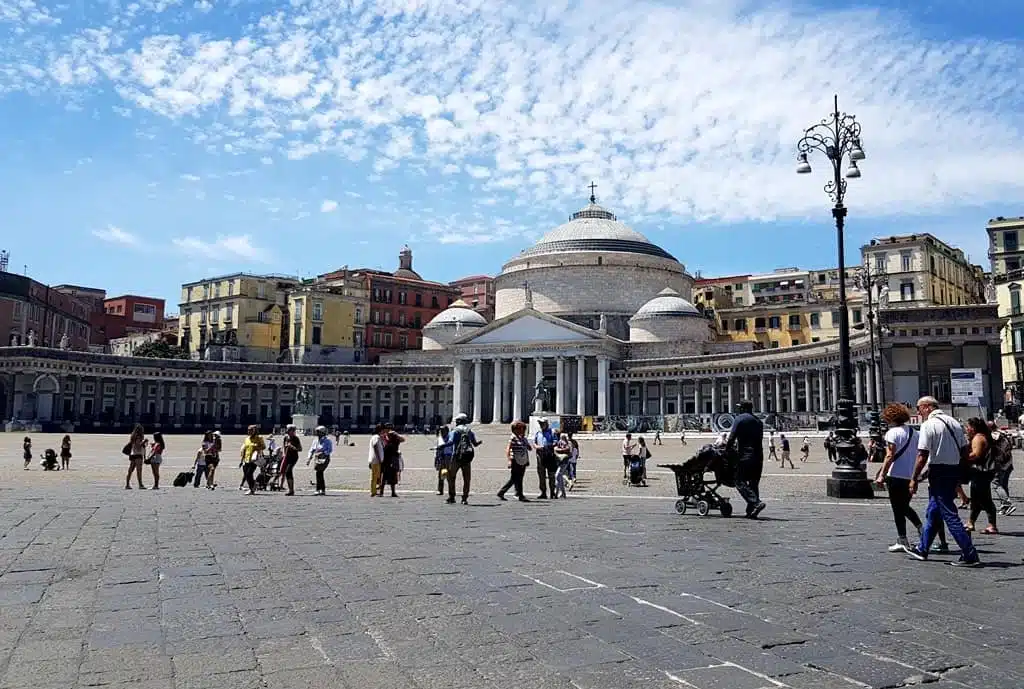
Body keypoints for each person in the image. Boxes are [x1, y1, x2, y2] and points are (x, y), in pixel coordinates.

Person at [905, 396, 980, 567]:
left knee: (949, 513)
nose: (918, 412)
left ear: (927, 407)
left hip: (939, 471)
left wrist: (914, 478)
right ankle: (922, 549)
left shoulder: (928, 425)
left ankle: (970, 554)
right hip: (953, 470)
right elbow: (964, 450)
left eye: (919, 408)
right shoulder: (954, 422)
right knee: (934, 511)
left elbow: (922, 455)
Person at [874, 404, 945, 553]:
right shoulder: (915, 433)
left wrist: (881, 475)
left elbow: (889, 456)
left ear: (891, 418)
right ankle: (920, 529)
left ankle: (903, 538)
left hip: (895, 475)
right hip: (910, 475)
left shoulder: (892, 433)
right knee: (904, 506)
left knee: (897, 509)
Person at [726, 400, 766, 519]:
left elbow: (732, 437)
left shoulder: (740, 419)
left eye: (739, 407)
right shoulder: (758, 421)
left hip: (745, 455)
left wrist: (727, 449)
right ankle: (751, 511)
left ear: (743, 408)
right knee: (754, 483)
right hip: (759, 456)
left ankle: (756, 502)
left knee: (739, 481)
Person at [964, 418, 999, 535]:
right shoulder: (980, 436)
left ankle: (992, 525)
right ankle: (971, 522)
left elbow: (976, 455)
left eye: (967, 427)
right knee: (976, 499)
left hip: (981, 473)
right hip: (980, 473)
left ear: (972, 428)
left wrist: (963, 456)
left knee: (985, 499)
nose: (966, 429)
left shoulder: (978, 438)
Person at [446, 414, 480, 504]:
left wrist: (441, 445)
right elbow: (475, 444)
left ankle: (452, 496)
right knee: (466, 478)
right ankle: (464, 498)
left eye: (457, 421)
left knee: (451, 477)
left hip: (456, 456)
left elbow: (450, 442)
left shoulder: (455, 431)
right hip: (466, 457)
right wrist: (479, 443)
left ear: (459, 421)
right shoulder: (469, 431)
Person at [498, 421, 532, 502]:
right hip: (515, 460)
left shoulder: (522, 438)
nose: (523, 431)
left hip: (522, 461)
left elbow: (529, 449)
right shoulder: (513, 437)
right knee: (514, 478)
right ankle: (503, 492)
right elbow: (508, 449)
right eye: (522, 429)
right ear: (517, 429)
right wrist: (509, 460)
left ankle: (519, 494)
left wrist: (525, 441)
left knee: (519, 478)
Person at [988, 421, 1016, 515]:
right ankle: (1005, 507)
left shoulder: (993, 436)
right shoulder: (1003, 434)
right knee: (1003, 485)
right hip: (1008, 463)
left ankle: (1007, 503)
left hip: (999, 464)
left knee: (995, 484)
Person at [533, 418, 557, 499]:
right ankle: (543, 492)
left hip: (550, 455)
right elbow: (534, 443)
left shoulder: (552, 432)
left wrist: (548, 446)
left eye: (542, 423)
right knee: (541, 475)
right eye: (540, 423)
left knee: (551, 475)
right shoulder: (538, 433)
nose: (541, 425)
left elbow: (555, 442)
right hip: (540, 456)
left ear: (547, 424)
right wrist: (538, 447)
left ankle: (552, 492)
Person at [307, 425, 334, 496]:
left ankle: (320, 489)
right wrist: (309, 458)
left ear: (322, 432)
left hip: (324, 458)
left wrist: (323, 453)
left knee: (319, 472)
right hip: (317, 458)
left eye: (318, 432)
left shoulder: (327, 441)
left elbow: (330, 450)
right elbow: (312, 450)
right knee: (318, 472)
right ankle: (321, 489)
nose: (317, 434)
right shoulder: (315, 440)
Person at [239, 425, 265, 495]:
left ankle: (251, 489)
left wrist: (257, 446)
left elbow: (263, 446)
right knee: (246, 475)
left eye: (251, 430)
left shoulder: (259, 438)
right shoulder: (247, 439)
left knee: (249, 474)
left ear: (255, 430)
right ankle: (254, 485)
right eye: (248, 430)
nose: (249, 431)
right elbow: (244, 450)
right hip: (246, 459)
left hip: (254, 459)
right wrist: (242, 460)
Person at [380, 424, 405, 497]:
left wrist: (393, 434)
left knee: (385, 478)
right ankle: (393, 492)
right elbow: (402, 439)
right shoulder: (396, 443)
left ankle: (382, 492)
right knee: (392, 478)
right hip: (393, 461)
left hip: (388, 462)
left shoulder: (389, 444)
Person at [124, 424, 147, 490]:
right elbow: (138, 446)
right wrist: (144, 442)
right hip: (138, 455)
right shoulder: (139, 436)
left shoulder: (133, 436)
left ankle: (127, 484)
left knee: (130, 470)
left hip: (133, 454)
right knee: (139, 471)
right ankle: (140, 484)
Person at [281, 425, 301, 496]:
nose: (292, 432)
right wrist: (283, 454)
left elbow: (300, 449)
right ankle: (290, 490)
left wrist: (292, 447)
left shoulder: (296, 439)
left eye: (293, 431)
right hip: (287, 457)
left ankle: (291, 490)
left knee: (288, 471)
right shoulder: (285, 438)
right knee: (286, 472)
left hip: (294, 457)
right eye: (290, 431)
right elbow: (284, 446)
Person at [368, 424, 385, 496]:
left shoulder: (377, 437)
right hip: (376, 460)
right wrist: (378, 457)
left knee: (377, 476)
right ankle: (373, 491)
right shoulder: (376, 437)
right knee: (375, 476)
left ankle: (375, 490)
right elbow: (375, 446)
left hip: (376, 460)